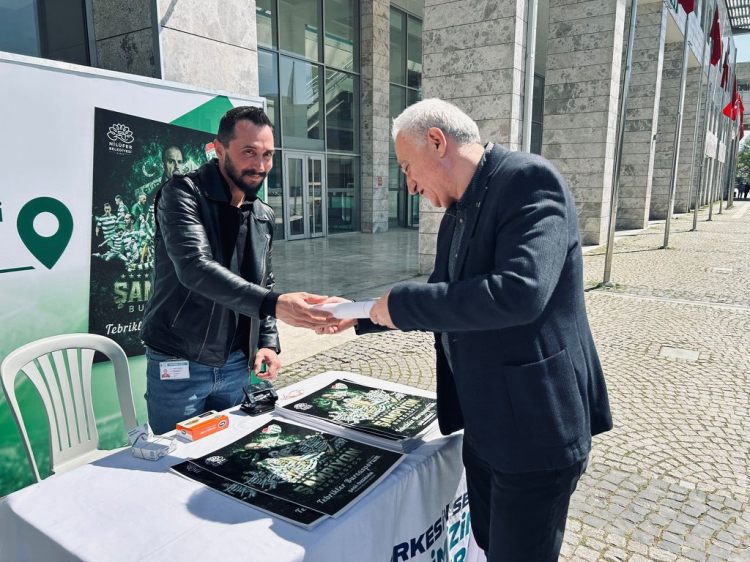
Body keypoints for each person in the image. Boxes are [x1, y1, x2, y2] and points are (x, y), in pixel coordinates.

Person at [320, 99, 612, 562]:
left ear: (437, 142)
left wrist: (402, 302)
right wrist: (358, 312)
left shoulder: (528, 180)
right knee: (490, 546)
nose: (409, 184)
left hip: (535, 431)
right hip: (484, 427)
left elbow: (520, 292)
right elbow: (444, 297)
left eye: (407, 167)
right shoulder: (457, 212)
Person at [140, 106, 337, 434]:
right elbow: (195, 268)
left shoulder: (262, 214)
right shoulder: (182, 194)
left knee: (238, 452)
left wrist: (268, 342)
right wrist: (275, 304)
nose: (260, 165)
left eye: (267, 154)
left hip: (237, 364)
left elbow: (265, 281)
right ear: (219, 149)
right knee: (176, 458)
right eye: (249, 152)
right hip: (179, 362)